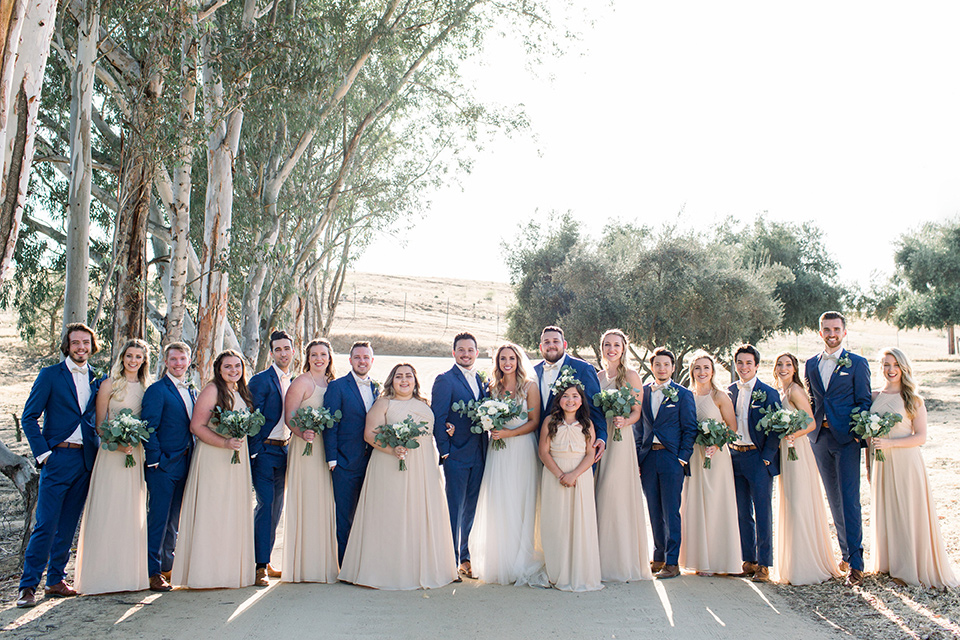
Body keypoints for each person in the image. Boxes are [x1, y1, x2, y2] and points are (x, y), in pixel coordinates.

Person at [339, 363, 457, 589]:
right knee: (390, 514)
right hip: (389, 464)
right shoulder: (383, 403)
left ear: (415, 380)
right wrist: (391, 449)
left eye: (409, 376)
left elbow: (432, 431)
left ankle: (419, 568)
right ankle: (385, 571)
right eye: (399, 376)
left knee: (418, 513)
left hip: (422, 467)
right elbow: (369, 434)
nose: (404, 380)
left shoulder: (424, 404)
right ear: (392, 380)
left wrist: (447, 427)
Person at [17, 323, 101, 608]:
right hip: (57, 458)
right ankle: (27, 586)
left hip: (86, 459)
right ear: (67, 346)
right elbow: (29, 418)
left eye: (86, 343)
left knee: (68, 524)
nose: (81, 348)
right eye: (76, 343)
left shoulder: (96, 378)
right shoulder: (50, 375)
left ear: (92, 345)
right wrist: (44, 455)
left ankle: (55, 580)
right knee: (46, 524)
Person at [868, 348, 958, 589]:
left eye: (895, 365)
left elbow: (920, 437)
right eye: (886, 364)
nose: (890, 369)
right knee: (887, 510)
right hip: (882, 463)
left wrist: (890, 443)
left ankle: (909, 567)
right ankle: (889, 564)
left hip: (906, 462)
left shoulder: (913, 399)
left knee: (907, 511)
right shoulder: (874, 396)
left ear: (903, 368)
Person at [171, 350, 255, 589]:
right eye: (227, 366)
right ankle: (205, 573)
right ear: (219, 369)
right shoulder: (212, 390)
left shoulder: (241, 392)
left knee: (231, 511)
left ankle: (229, 571)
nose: (233, 371)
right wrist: (225, 442)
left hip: (236, 459)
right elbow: (197, 426)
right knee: (213, 511)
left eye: (237, 366)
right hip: (214, 458)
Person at [75, 339, 151, 594]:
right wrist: (117, 445)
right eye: (129, 355)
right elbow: (99, 425)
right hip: (111, 455)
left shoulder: (145, 387)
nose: (133, 360)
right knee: (109, 510)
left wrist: (132, 443)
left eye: (138, 357)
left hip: (134, 455)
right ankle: (100, 577)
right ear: (122, 357)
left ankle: (128, 576)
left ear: (144, 360)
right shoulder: (109, 384)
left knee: (130, 512)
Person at [468, 342, 545, 585]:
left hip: (522, 448)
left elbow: (535, 421)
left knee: (520, 499)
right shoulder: (493, 388)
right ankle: (500, 559)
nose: (507, 362)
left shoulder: (530, 387)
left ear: (518, 360)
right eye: (502, 359)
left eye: (511, 358)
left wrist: (509, 434)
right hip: (498, 452)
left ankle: (521, 557)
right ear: (497, 362)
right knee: (499, 500)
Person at [804, 311, 871, 586]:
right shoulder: (810, 364)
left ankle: (856, 564)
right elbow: (811, 399)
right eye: (826, 330)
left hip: (847, 441)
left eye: (836, 329)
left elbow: (864, 401)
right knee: (833, 499)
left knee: (850, 500)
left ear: (844, 332)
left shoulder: (858, 363)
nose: (831, 334)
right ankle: (845, 553)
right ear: (820, 333)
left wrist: (856, 436)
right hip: (820, 439)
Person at [772, 352, 841, 585]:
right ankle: (793, 562)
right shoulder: (781, 391)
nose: (783, 368)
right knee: (790, 503)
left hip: (797, 450)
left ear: (794, 369)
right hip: (786, 450)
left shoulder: (795, 391)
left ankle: (805, 566)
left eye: (788, 365)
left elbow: (811, 422)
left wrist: (792, 433)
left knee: (798, 503)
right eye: (779, 364)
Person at [594, 329, 652, 582]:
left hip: (620, 436)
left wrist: (624, 420)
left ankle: (620, 561)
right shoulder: (596, 376)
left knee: (614, 492)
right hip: (598, 437)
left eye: (616, 345)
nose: (611, 349)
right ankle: (597, 559)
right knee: (598, 490)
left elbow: (637, 412)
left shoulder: (631, 376)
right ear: (602, 348)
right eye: (607, 345)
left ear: (623, 348)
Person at [635, 346, 697, 579]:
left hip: (672, 458)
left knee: (672, 511)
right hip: (649, 458)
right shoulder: (643, 392)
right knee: (653, 510)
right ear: (652, 367)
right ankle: (658, 556)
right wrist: (639, 454)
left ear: (673, 368)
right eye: (657, 364)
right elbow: (639, 427)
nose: (662, 368)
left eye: (666, 365)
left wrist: (681, 458)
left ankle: (673, 562)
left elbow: (690, 429)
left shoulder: (683, 394)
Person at [678, 350, 741, 577]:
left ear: (712, 371)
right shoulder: (686, 395)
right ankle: (698, 560)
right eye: (697, 368)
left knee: (716, 503)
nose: (702, 372)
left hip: (717, 455)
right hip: (694, 455)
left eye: (706, 368)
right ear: (691, 371)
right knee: (694, 502)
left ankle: (718, 560)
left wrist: (716, 442)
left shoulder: (720, 396)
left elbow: (732, 428)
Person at [281, 338, 339, 583]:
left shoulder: (333, 383)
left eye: (323, 354)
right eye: (314, 354)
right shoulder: (301, 382)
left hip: (326, 449)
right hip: (305, 447)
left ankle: (325, 563)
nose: (319, 358)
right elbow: (289, 416)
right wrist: (302, 432)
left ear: (329, 357)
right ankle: (303, 566)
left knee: (324, 501)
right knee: (307, 499)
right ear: (307, 357)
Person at [140, 341, 196, 592]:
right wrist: (156, 460)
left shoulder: (193, 390)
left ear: (189, 360)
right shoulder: (157, 390)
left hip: (186, 462)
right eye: (173, 359)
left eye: (182, 359)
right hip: (162, 466)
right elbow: (148, 427)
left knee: (174, 519)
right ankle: (152, 572)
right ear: (165, 362)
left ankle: (167, 566)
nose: (178, 364)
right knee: (158, 519)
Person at [431, 332, 488, 579]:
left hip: (481, 453)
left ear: (477, 352)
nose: (466, 354)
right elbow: (438, 418)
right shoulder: (445, 380)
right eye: (461, 350)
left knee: (472, 508)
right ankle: (449, 560)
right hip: (456, 455)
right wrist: (446, 452)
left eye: (470, 350)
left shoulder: (483, 381)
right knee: (454, 508)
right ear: (453, 353)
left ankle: (466, 558)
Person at [539, 382, 603, 592]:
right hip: (554, 476)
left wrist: (574, 474)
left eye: (575, 396)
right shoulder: (550, 421)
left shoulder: (587, 424)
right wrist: (561, 475)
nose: (570, 400)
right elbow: (544, 452)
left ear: (581, 400)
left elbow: (590, 454)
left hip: (580, 477)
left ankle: (578, 569)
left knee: (579, 521)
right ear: (558, 400)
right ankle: (556, 570)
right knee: (556, 522)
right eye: (565, 396)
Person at [728, 344, 781, 583]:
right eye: (740, 362)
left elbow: (777, 427)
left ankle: (764, 564)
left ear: (757, 366)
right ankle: (748, 560)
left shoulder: (768, 392)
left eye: (748, 363)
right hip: (735, 456)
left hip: (758, 457)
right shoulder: (730, 391)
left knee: (762, 511)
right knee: (741, 511)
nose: (744, 367)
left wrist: (767, 457)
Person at [323, 341, 378, 564]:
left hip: (373, 461)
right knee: (344, 515)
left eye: (366, 357)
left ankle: (364, 561)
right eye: (357, 357)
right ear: (350, 360)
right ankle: (345, 564)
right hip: (344, 462)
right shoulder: (337, 387)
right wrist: (332, 459)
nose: (362, 361)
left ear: (372, 361)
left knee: (367, 514)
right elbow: (330, 424)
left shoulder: (377, 388)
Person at [248, 330, 295, 585]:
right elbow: (251, 415)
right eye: (278, 349)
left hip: (285, 450)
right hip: (264, 451)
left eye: (286, 348)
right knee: (265, 505)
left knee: (277, 508)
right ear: (271, 353)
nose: (283, 353)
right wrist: (254, 451)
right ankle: (258, 567)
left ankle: (266, 560)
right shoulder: (260, 380)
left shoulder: (293, 380)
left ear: (293, 351)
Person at [534, 326, 606, 460]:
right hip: (536, 448)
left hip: (572, 448)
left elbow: (595, 408)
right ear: (540, 347)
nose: (551, 346)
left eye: (556, 341)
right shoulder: (533, 372)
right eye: (547, 342)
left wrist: (601, 437)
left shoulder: (583, 369)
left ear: (564, 344)